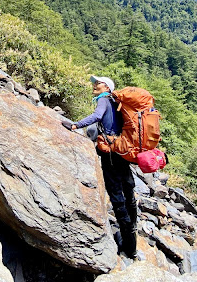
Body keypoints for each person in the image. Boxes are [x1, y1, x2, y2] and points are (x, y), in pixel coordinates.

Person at [62, 76, 138, 259]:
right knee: (129, 192)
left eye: (99, 83)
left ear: (107, 87)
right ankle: (133, 231)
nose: (94, 85)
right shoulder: (117, 103)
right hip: (122, 150)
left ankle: (130, 247)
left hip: (110, 153)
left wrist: (75, 125)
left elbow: (97, 116)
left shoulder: (104, 100)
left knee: (117, 198)